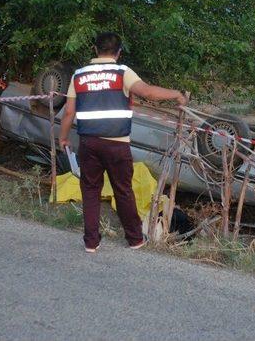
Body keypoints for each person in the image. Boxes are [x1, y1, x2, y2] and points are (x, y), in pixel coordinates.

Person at [59, 32, 187, 253]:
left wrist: (63, 137)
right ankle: (135, 239)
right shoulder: (122, 72)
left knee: (90, 190)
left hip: (88, 143)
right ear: (119, 52)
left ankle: (91, 243)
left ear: (94, 49)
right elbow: (147, 92)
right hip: (117, 144)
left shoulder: (78, 75)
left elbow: (69, 111)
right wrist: (176, 94)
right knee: (123, 190)